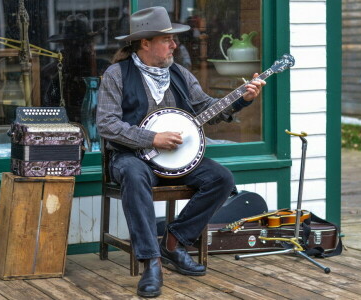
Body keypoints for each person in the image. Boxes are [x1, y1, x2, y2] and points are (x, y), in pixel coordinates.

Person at [96, 6, 265, 298]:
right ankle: (151, 262)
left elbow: (206, 109)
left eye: (173, 39)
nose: (175, 44)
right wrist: (152, 138)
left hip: (177, 161)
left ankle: (174, 242)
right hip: (131, 158)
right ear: (145, 43)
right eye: (167, 40)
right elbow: (107, 125)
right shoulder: (116, 74)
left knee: (221, 178)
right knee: (134, 176)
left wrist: (241, 99)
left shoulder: (179, 74)